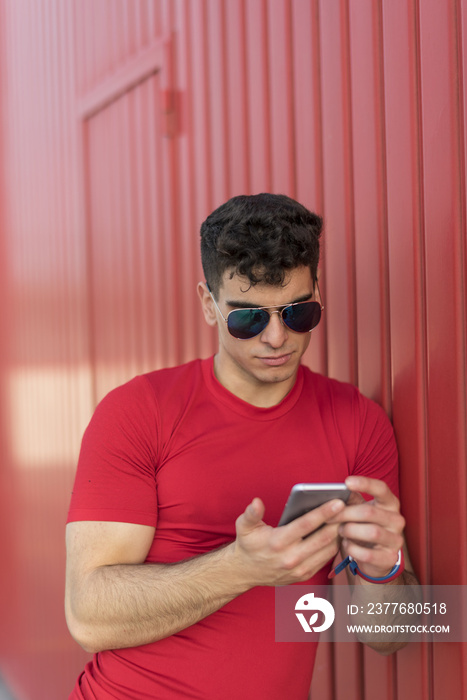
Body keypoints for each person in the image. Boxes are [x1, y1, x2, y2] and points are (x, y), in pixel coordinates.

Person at [65, 193, 417, 700]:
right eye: (248, 318)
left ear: (318, 293)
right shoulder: (140, 411)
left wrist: (385, 570)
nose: (276, 337)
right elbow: (87, 617)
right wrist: (239, 568)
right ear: (210, 305)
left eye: (298, 313)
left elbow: (393, 637)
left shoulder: (358, 423)